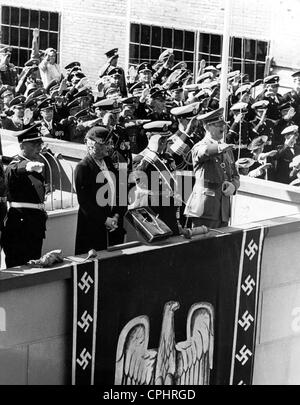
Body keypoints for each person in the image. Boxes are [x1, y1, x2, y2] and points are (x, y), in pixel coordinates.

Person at [184, 107, 240, 229]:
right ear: (207, 127)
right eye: (218, 125)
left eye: (223, 124)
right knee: (203, 244)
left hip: (223, 208)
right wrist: (219, 148)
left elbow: (235, 175)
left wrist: (234, 186)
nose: (223, 127)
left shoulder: (226, 148)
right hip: (205, 208)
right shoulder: (199, 146)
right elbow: (204, 152)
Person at [74, 126, 126, 255]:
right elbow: (84, 202)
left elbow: (121, 190)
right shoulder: (83, 167)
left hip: (114, 225)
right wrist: (105, 220)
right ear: (92, 145)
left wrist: (116, 215)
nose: (110, 147)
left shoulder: (109, 162)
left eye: (110, 143)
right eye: (106, 144)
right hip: (93, 228)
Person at [1, 124, 47, 268]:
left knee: (34, 266)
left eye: (40, 143)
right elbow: (13, 170)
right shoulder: (15, 165)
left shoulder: (36, 164)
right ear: (22, 145)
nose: (39, 147)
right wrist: (27, 166)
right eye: (34, 144)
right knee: (19, 267)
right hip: (19, 226)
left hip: (35, 224)